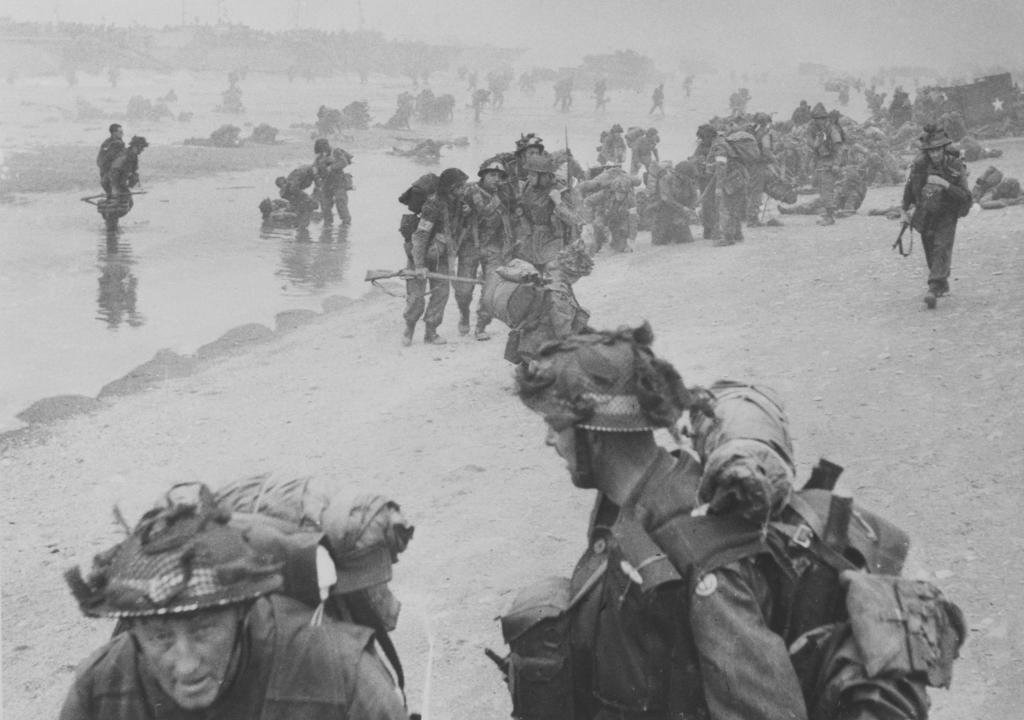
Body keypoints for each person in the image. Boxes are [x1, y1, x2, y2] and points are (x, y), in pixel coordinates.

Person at [499, 322, 964, 720]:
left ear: (596, 434)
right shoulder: (631, 500)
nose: (547, 440)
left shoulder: (704, 555)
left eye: (555, 425)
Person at [59, 483, 407, 720]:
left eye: (203, 630)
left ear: (242, 611)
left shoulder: (341, 675)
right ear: (134, 630)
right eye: (160, 636)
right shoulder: (100, 686)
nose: (186, 664)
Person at [901, 125, 972, 309]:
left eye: (937, 150)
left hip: (948, 212)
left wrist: (945, 184)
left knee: (941, 246)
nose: (934, 155)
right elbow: (910, 189)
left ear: (944, 149)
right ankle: (941, 283)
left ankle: (933, 287)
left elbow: (965, 196)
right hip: (925, 212)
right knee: (930, 247)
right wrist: (904, 211)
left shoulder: (955, 165)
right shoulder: (919, 165)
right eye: (931, 151)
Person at [406, 167, 468, 345]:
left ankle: (430, 332)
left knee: (442, 293)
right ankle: (409, 327)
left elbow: (455, 232)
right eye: (461, 187)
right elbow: (420, 236)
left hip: (440, 256)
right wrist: (418, 266)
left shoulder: (458, 204)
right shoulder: (432, 205)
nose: (464, 190)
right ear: (451, 188)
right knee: (416, 298)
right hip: (420, 255)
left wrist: (465, 214)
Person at [459, 158, 515, 340]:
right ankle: (464, 315)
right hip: (469, 246)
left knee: (490, 290)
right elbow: (452, 211)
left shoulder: (504, 195)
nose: (496, 179)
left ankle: (481, 325)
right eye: (492, 175)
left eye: (500, 176)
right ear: (483, 176)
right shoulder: (468, 191)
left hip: (493, 247)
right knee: (464, 290)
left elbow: (512, 217)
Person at [513, 154, 578, 272]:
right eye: (529, 174)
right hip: (531, 239)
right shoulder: (528, 188)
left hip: (552, 240)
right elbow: (522, 209)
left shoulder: (560, 190)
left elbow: (573, 220)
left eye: (533, 174)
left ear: (544, 176)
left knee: (552, 272)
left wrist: (558, 203)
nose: (529, 177)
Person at [707, 129, 749, 246]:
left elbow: (721, 166)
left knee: (725, 208)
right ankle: (737, 234)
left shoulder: (719, 147)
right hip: (740, 177)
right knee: (734, 207)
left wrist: (719, 187)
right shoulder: (726, 143)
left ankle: (727, 237)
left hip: (731, 180)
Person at [805, 102, 845, 225]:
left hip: (830, 162)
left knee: (827, 190)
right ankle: (828, 214)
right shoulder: (817, 130)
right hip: (822, 162)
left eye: (821, 119)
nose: (819, 121)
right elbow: (812, 145)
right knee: (823, 190)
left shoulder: (831, 130)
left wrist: (836, 164)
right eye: (817, 119)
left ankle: (830, 216)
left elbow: (839, 148)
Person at [651, 161, 699, 245]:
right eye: (687, 176)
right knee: (660, 242)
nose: (689, 179)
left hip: (680, 215)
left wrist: (691, 208)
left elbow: (694, 196)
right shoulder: (666, 179)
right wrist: (682, 208)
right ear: (679, 174)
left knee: (686, 240)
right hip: (665, 214)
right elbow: (666, 199)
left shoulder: (687, 181)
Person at [275, 165, 318, 229]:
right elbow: (295, 199)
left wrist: (310, 199)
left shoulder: (293, 184)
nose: (284, 186)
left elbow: (300, 194)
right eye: (282, 185)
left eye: (284, 183)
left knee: (309, 204)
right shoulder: (286, 192)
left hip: (310, 172)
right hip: (308, 174)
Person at [97, 123, 125, 196]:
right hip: (109, 172)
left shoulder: (120, 143)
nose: (123, 134)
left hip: (115, 172)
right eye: (120, 132)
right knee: (109, 186)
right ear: (114, 133)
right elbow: (101, 159)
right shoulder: (108, 144)